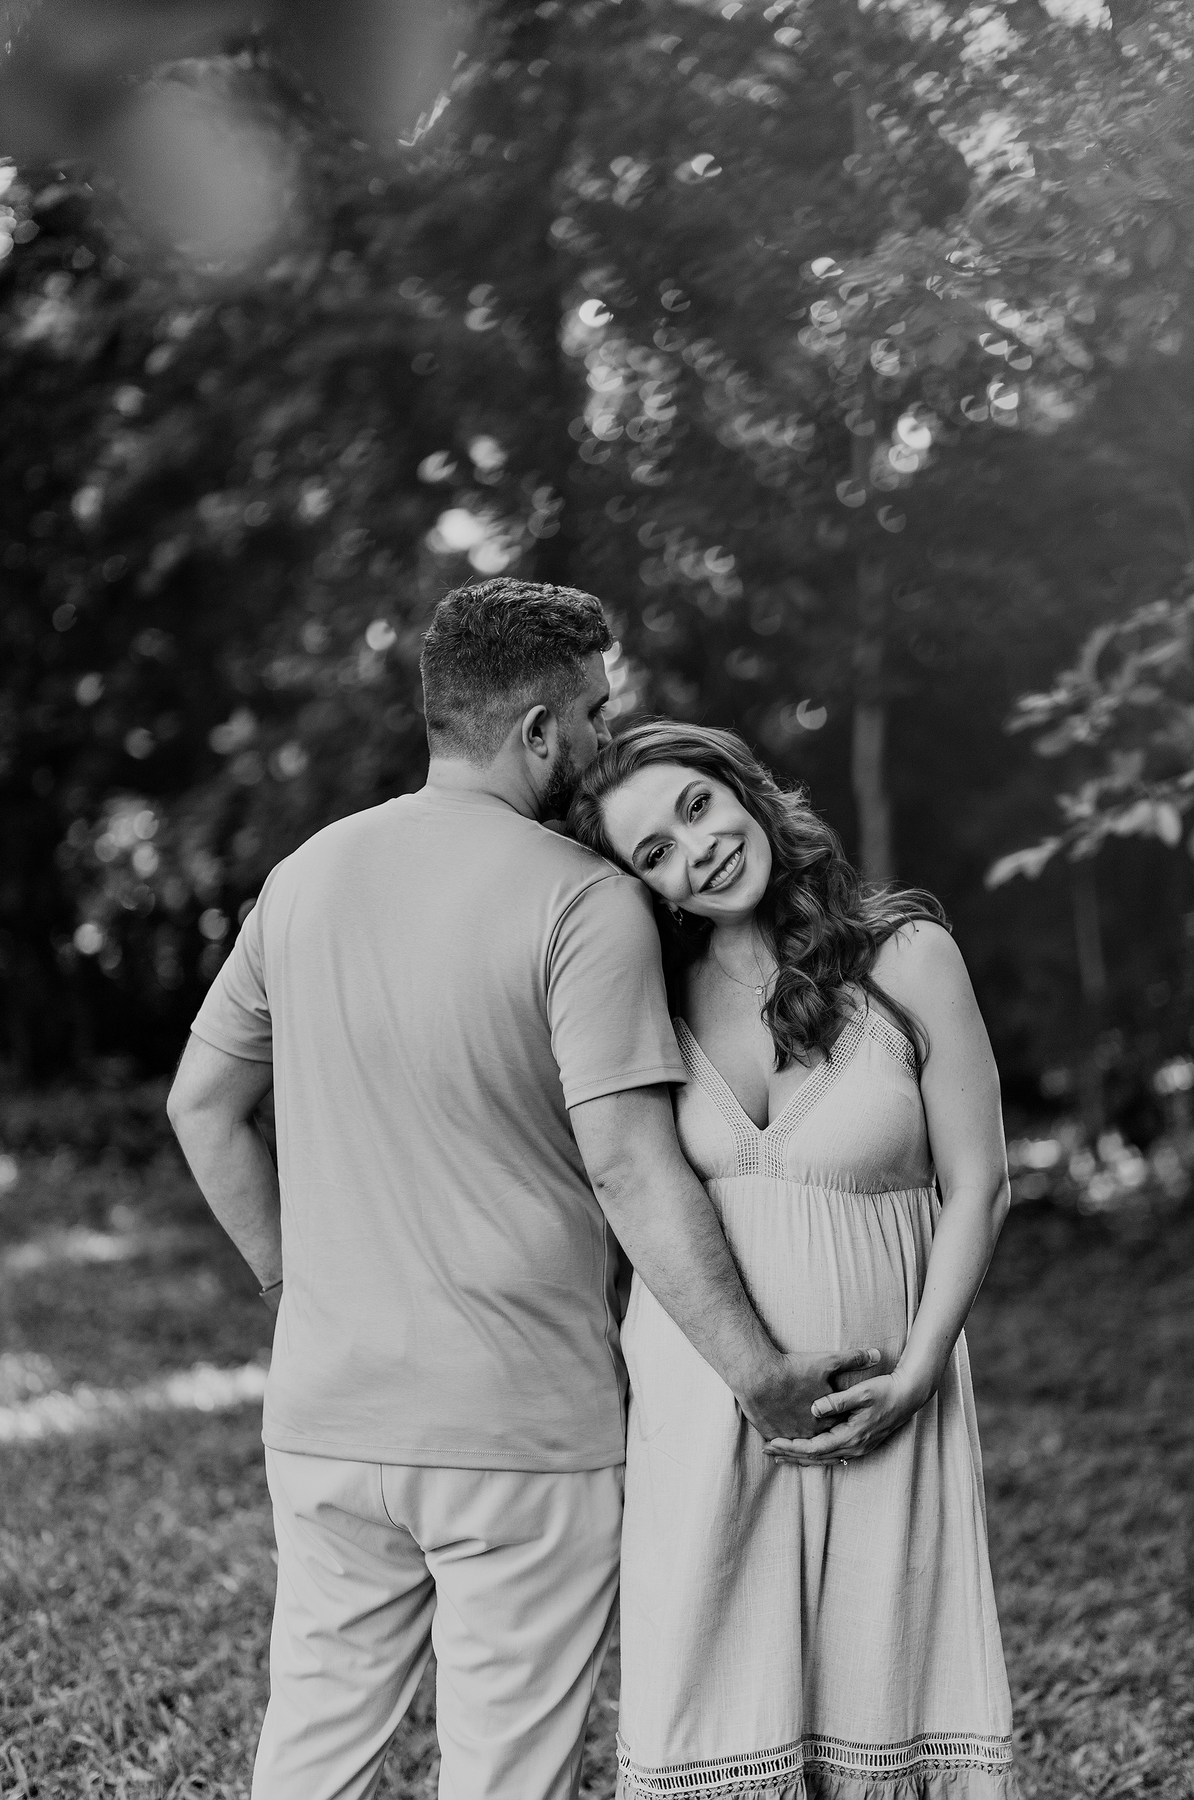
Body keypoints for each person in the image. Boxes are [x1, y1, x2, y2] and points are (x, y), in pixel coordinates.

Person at [166, 580, 878, 1800]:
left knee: (310, 1756)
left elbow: (202, 1108)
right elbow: (626, 1162)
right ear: (542, 730)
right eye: (596, 714)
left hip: (328, 1416)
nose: (605, 738)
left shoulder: (307, 874)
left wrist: (295, 1287)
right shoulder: (585, 897)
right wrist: (758, 1371)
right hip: (522, 1430)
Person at [569, 721, 1020, 1800]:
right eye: (655, 852)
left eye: (697, 807)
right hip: (703, 1400)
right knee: (714, 1701)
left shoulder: (906, 955)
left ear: (744, 790)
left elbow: (980, 1183)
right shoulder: (646, 999)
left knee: (883, 1684)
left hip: (885, 1393)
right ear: (645, 886)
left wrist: (918, 1372)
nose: (698, 850)